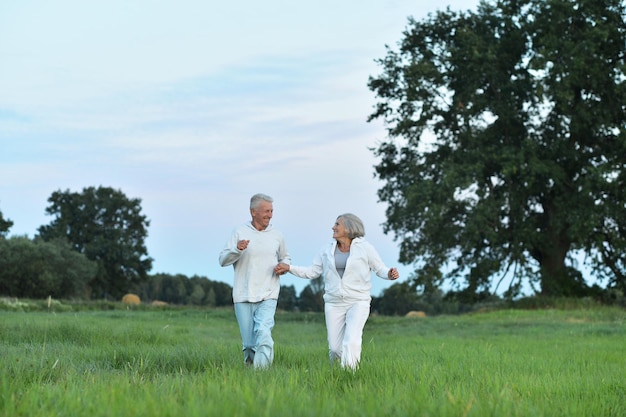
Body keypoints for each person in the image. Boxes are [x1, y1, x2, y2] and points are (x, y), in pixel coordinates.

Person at [274, 213, 399, 371]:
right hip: (334, 302)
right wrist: (289, 268)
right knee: (334, 348)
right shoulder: (327, 249)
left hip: (358, 301)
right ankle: (336, 374)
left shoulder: (365, 248)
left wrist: (389, 274)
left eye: (337, 224)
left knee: (351, 339)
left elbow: (379, 268)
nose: (333, 227)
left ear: (348, 228)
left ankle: (350, 375)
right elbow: (312, 272)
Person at [219, 193, 291, 369]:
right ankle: (250, 370)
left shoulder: (277, 235)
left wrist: (284, 265)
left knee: (263, 333)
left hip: (269, 293)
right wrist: (237, 250)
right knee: (250, 344)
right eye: (266, 211)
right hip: (243, 294)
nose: (270, 215)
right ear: (253, 212)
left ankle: (262, 375)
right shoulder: (239, 232)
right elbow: (222, 260)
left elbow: (285, 257)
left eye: (272, 211)